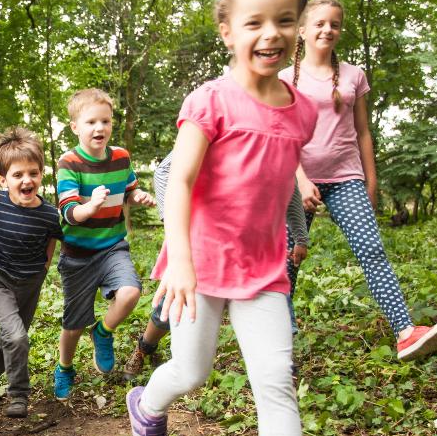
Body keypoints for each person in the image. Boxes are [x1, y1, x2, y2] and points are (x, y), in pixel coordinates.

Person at [126, 0, 333, 436]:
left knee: (274, 378)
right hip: (199, 266)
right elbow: (181, 182)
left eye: (285, 21)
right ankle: (147, 406)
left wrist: (296, 230)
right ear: (227, 31)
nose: (271, 33)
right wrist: (181, 263)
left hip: (264, 268)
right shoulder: (210, 101)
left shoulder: (302, 112)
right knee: (192, 372)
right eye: (254, 22)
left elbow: (280, 175)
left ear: (300, 29)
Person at [280, 0, 437, 362]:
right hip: (296, 181)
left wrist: (370, 183)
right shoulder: (283, 79)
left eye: (335, 24)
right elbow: (282, 135)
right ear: (302, 30)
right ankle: (279, 345)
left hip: (346, 178)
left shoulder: (354, 75)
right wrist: (299, 179)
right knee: (286, 260)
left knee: (372, 251)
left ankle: (406, 332)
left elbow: (363, 132)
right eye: (320, 23)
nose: (328, 29)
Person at [122, 155, 308, 381]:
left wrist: (300, 237)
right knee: (173, 304)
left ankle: (278, 365)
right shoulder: (216, 124)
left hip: (253, 249)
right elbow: (164, 172)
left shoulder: (279, 135)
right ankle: (145, 346)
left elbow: (289, 186)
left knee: (269, 300)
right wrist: (172, 222)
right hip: (204, 240)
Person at [52, 89, 157, 400]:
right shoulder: (68, 162)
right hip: (78, 255)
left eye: (105, 121)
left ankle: (103, 331)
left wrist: (139, 196)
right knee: (73, 325)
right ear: (75, 127)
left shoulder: (121, 157)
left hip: (112, 247)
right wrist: (90, 207)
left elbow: (129, 189)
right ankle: (65, 367)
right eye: (91, 122)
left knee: (130, 292)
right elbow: (69, 212)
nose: (99, 128)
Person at [0, 127, 62, 418]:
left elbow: (52, 237)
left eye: (33, 173)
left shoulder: (49, 213)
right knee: (16, 336)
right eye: (18, 175)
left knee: (13, 336)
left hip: (30, 281)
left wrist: (46, 265)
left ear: (41, 175)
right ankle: (18, 394)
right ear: (3, 180)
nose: (27, 180)